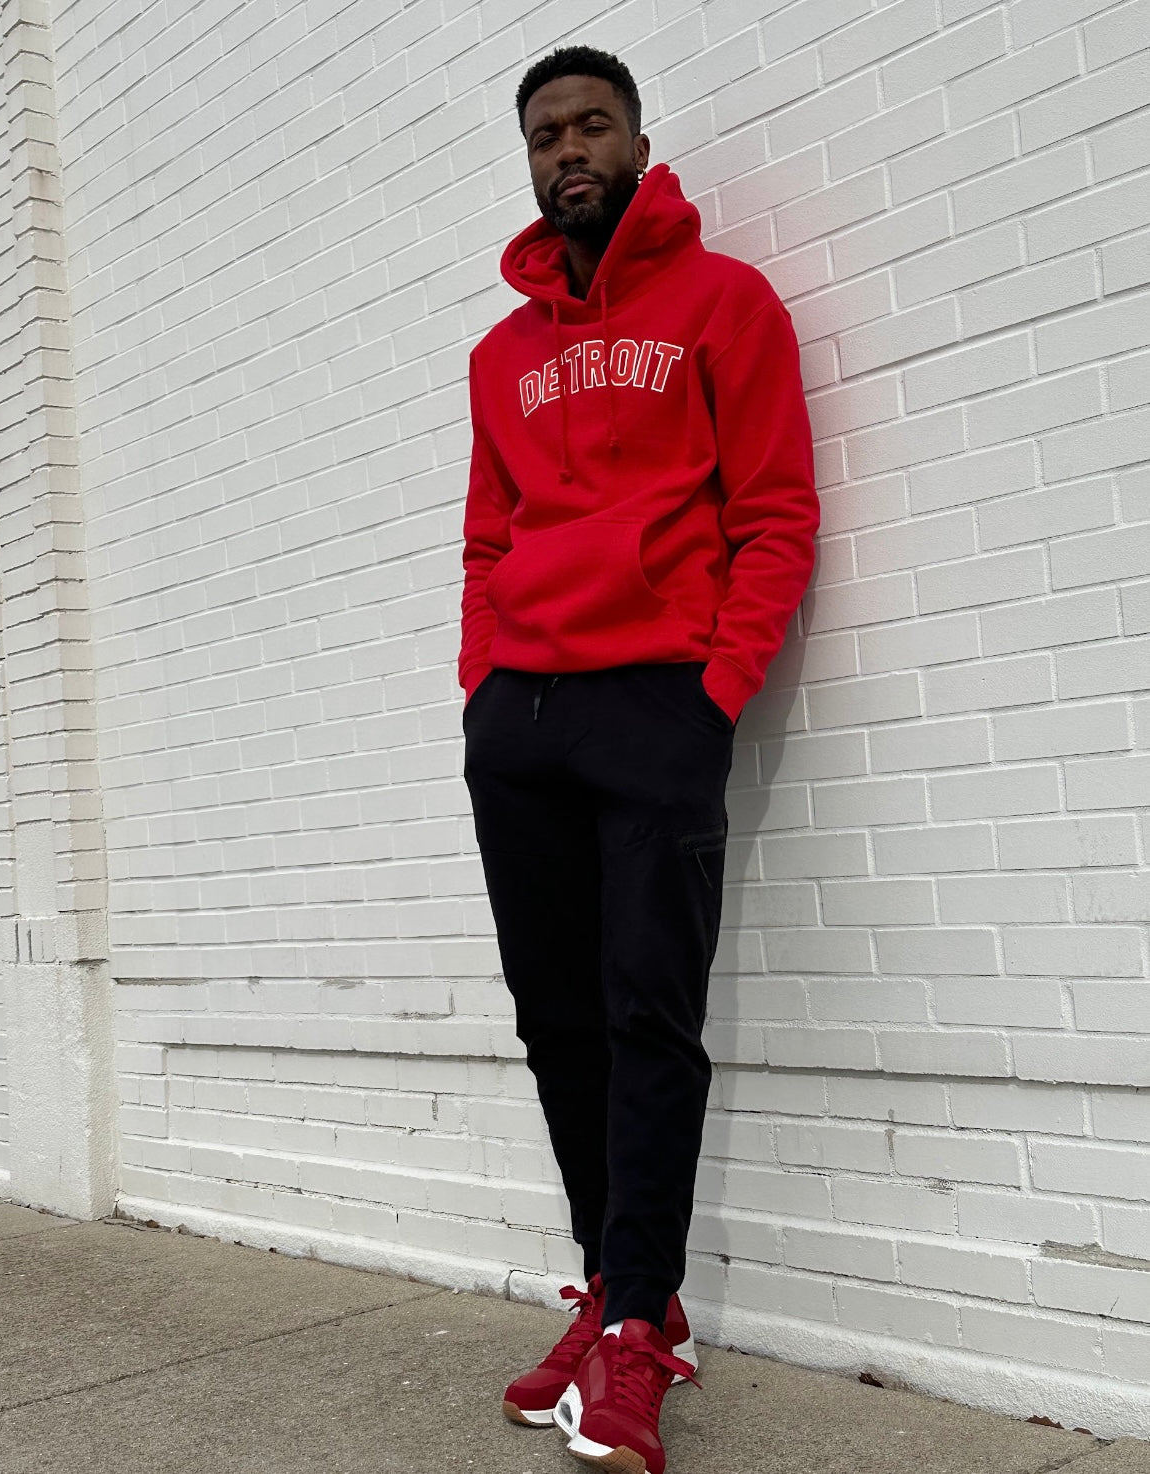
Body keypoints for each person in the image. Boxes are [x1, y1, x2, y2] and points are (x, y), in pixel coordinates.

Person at [458, 44, 818, 1474]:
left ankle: (637, 1339)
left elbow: (775, 512)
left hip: (657, 704)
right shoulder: (501, 357)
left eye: (592, 125)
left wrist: (711, 696)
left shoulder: (725, 304)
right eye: (547, 134)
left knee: (648, 1014)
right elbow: (487, 538)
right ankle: (620, 1289)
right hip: (523, 721)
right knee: (558, 1022)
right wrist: (483, 686)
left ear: (637, 143)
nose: (569, 150)